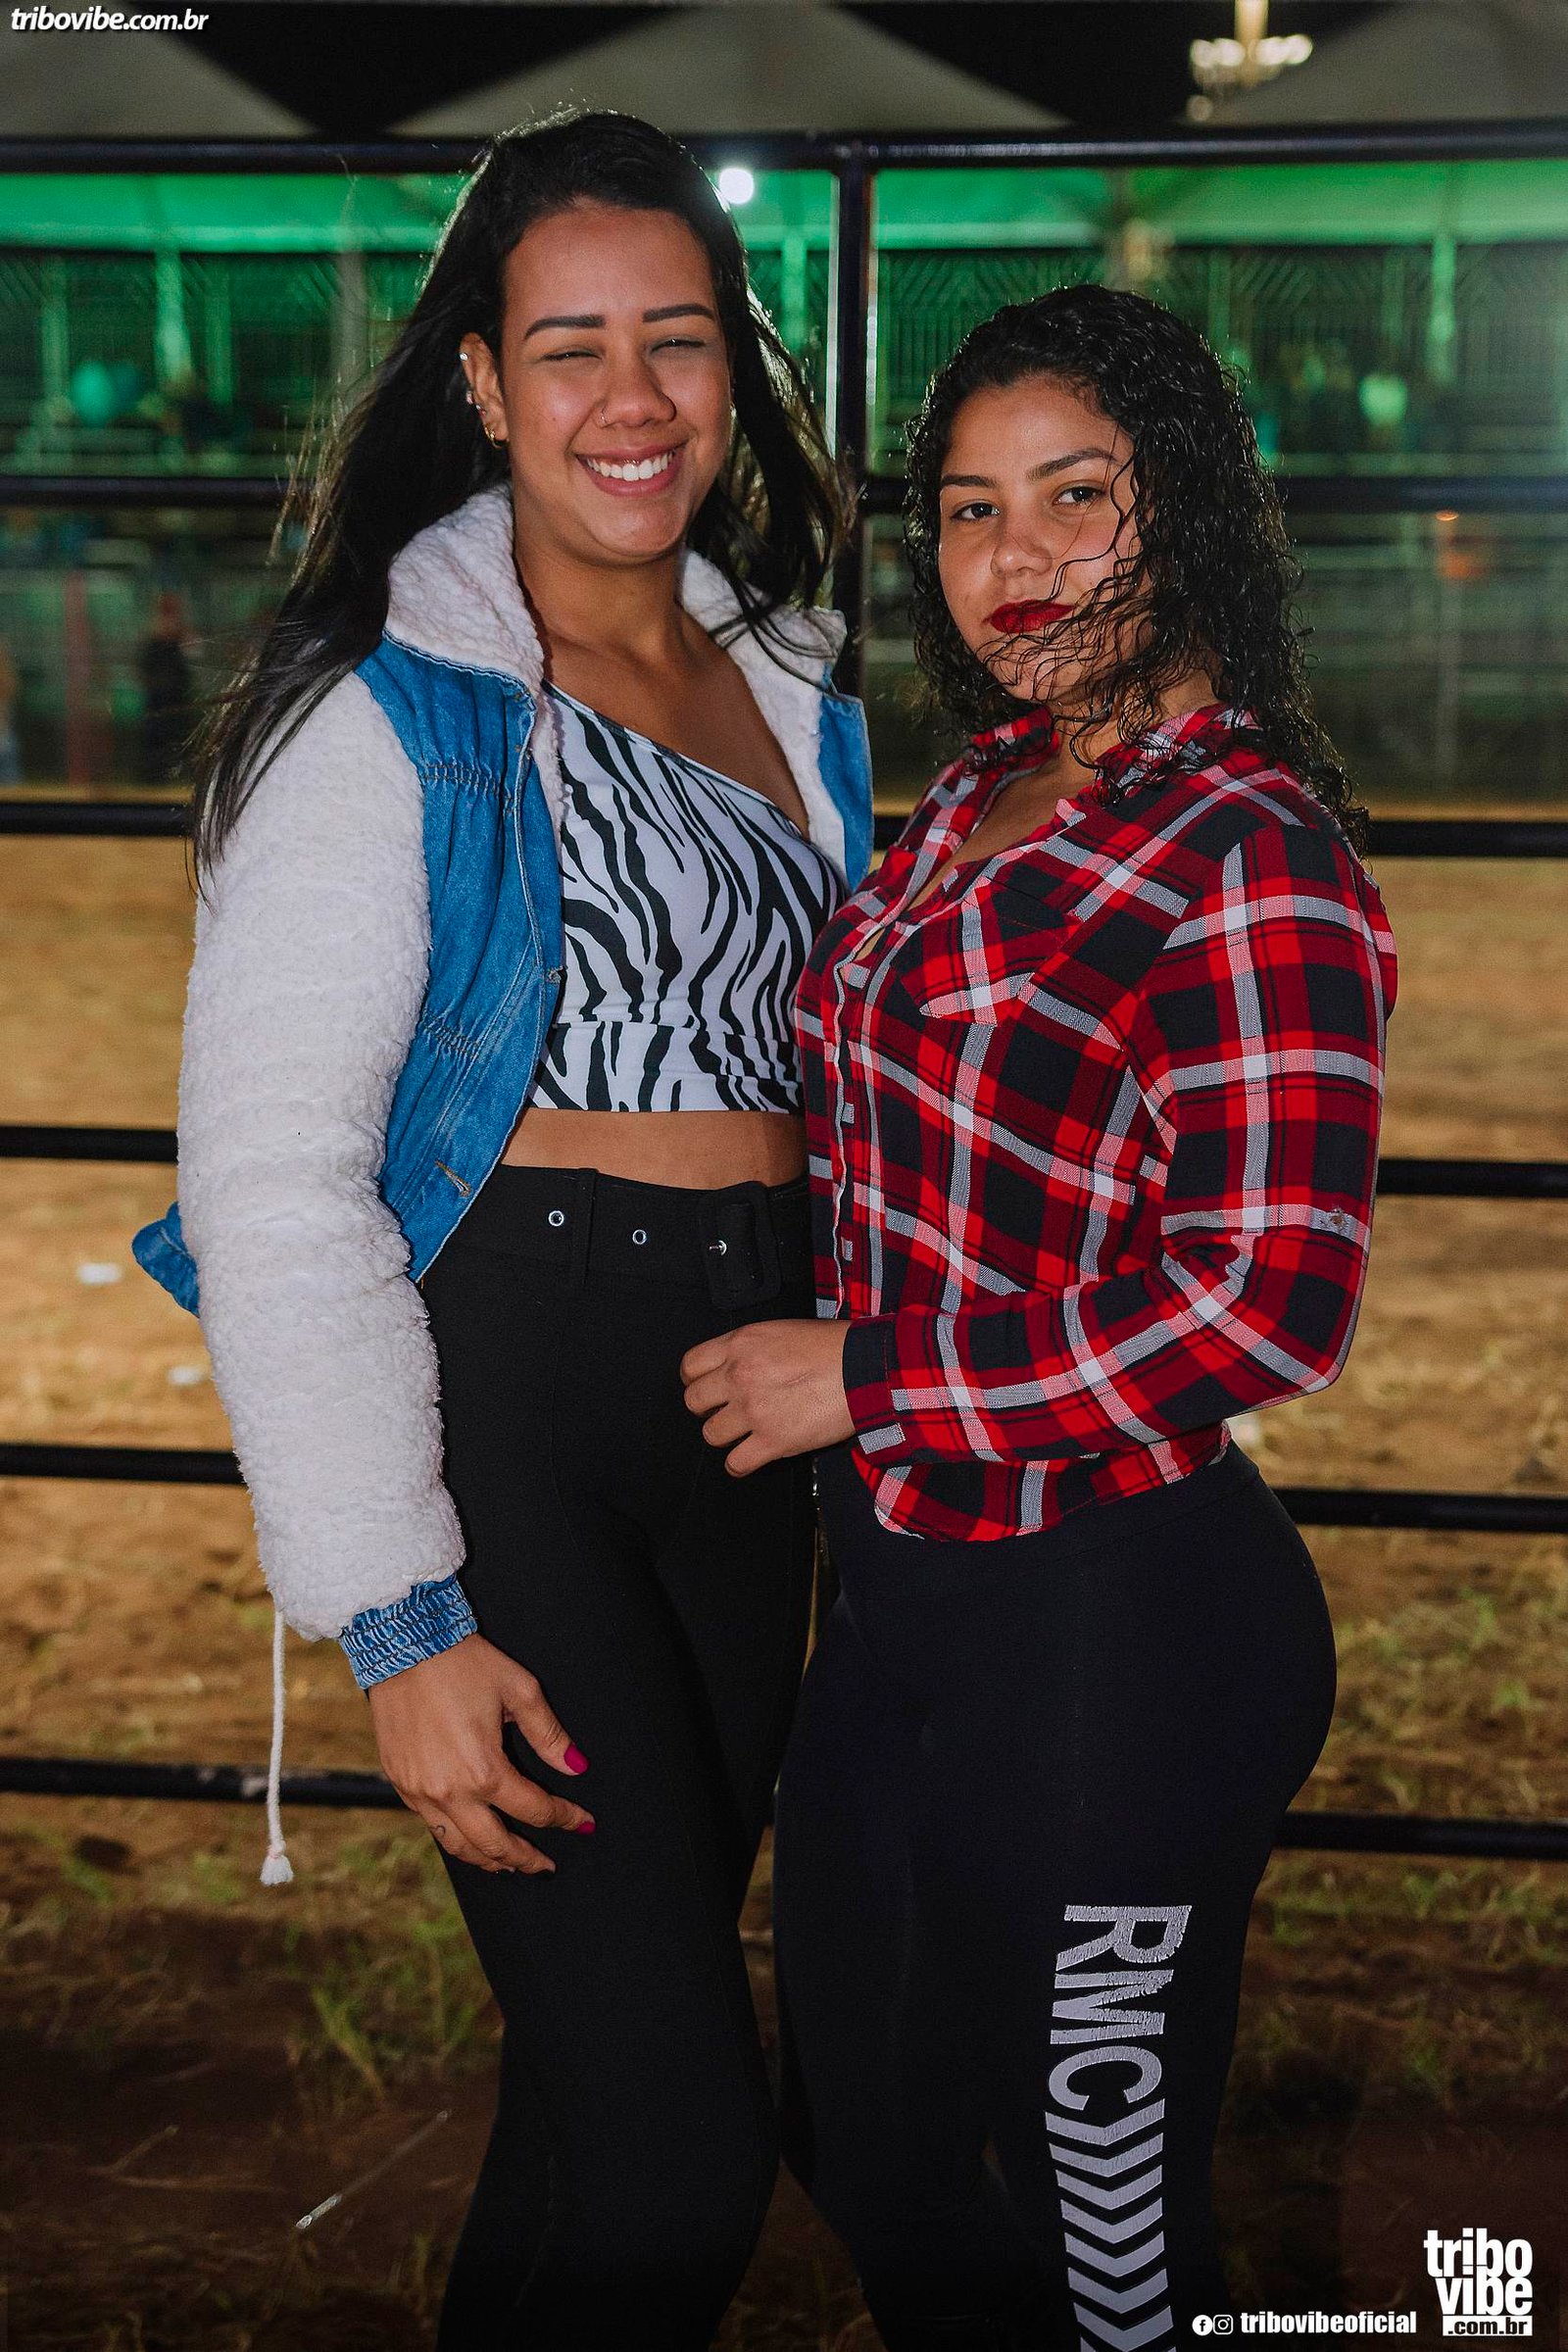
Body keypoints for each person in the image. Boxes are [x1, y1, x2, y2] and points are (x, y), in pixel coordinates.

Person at [132, 111, 871, 2352]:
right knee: (678, 2147)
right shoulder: (390, 699)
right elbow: (274, 1170)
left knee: (588, 2112)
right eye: (569, 348)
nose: (629, 398)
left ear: (734, 365)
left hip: (752, 1431)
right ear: (479, 379)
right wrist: (397, 1615)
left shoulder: (800, 676)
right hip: (511, 1420)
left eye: (676, 339)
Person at [680, 283, 1397, 2351]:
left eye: (1077, 497)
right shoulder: (982, 789)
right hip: (909, 1599)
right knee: (870, 2147)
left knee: (1109, 2242)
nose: (1017, 561)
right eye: (973, 511)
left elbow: (1267, 1305)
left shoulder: (1241, 852)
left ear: (1187, 509)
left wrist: (869, 1377)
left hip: (1116, 1623)